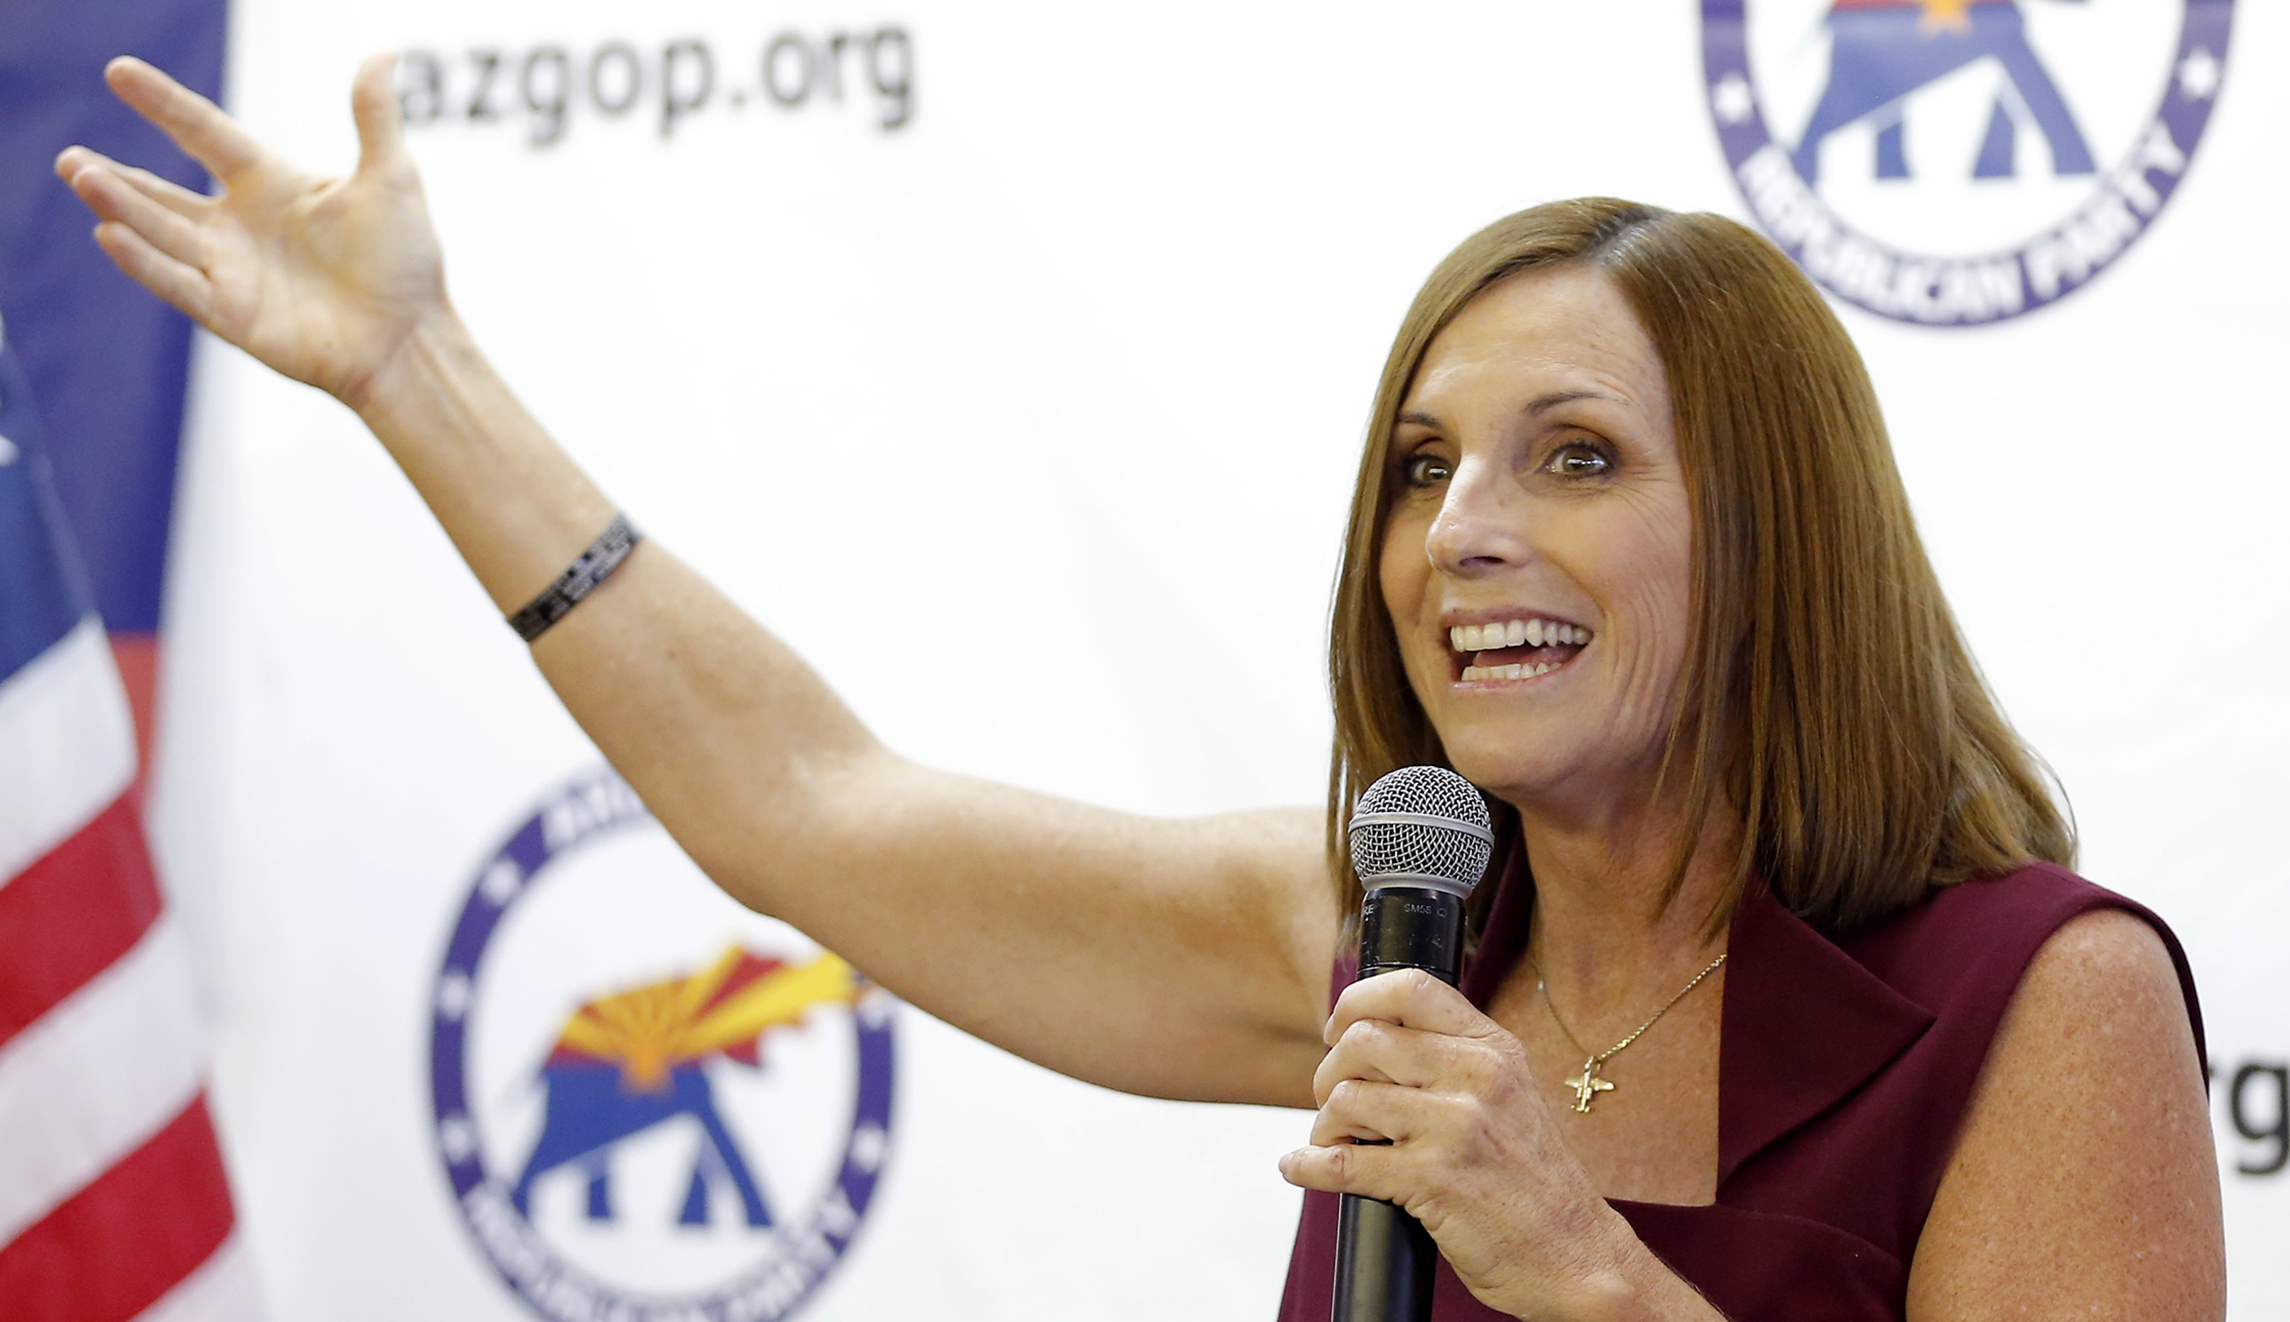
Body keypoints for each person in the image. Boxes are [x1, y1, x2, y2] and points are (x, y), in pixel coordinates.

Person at [57, 54, 2223, 1321]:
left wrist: (1581, 1274)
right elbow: (800, 800)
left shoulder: (2033, 996)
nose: (1457, 529)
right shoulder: (1382, 945)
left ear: (1775, 535)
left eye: (1572, 456)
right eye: (1416, 466)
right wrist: (410, 373)